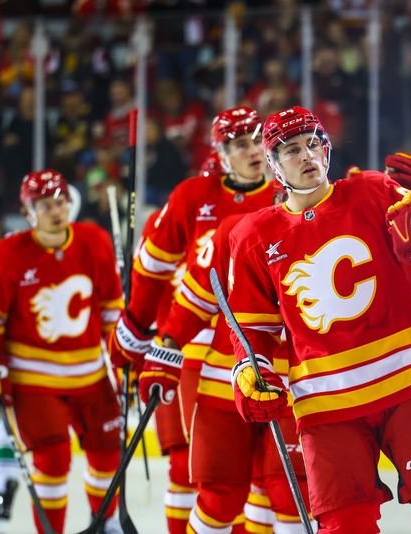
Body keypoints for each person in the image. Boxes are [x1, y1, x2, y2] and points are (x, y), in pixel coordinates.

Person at [225, 106, 411, 533]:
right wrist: (248, 371)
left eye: (313, 143)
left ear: (327, 148)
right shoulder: (255, 236)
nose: (307, 155)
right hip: (327, 403)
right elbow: (252, 328)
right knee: (344, 525)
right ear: (273, 165)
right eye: (292, 150)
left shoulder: (373, 191)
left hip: (407, 382)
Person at [107, 105, 283, 534]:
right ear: (221, 154)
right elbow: (150, 273)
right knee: (194, 468)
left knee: (266, 479)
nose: (252, 151)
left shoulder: (286, 193)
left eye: (257, 140)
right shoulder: (192, 197)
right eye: (240, 144)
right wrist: (135, 329)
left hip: (253, 346)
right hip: (188, 343)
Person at [0, 169, 124, 533]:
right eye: (45, 205)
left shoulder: (94, 241)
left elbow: (110, 309)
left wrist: (123, 356)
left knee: (107, 453)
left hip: (90, 374)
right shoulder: (8, 253)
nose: (56, 211)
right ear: (29, 212)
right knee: (53, 459)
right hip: (34, 379)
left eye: (60, 202)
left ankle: (103, 522)